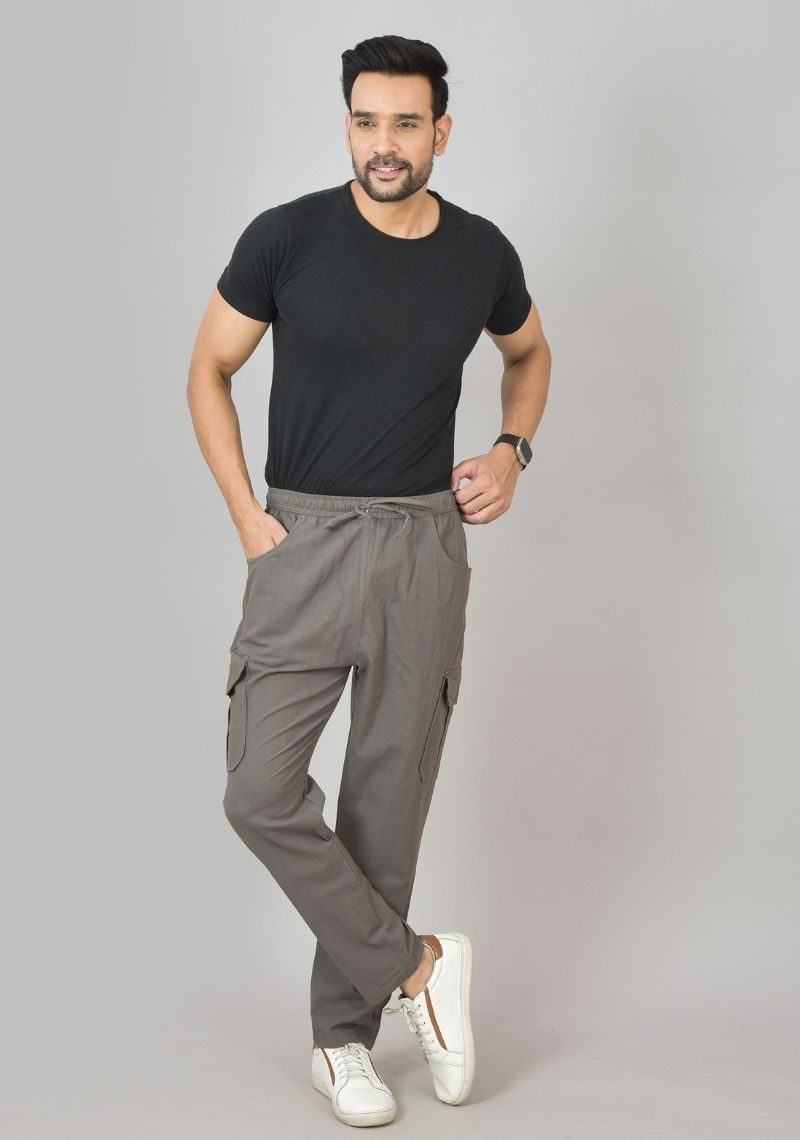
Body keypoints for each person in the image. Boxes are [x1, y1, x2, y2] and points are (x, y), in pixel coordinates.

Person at [187, 33, 551, 1128]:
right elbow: (209, 368)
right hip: (300, 540)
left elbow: (528, 354)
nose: (382, 144)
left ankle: (341, 1043)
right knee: (259, 790)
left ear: (441, 131)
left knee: (384, 810)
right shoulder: (286, 237)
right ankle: (420, 966)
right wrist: (246, 513)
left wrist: (510, 451)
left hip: (421, 549)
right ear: (346, 125)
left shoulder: (479, 253)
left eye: (404, 123)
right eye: (365, 121)